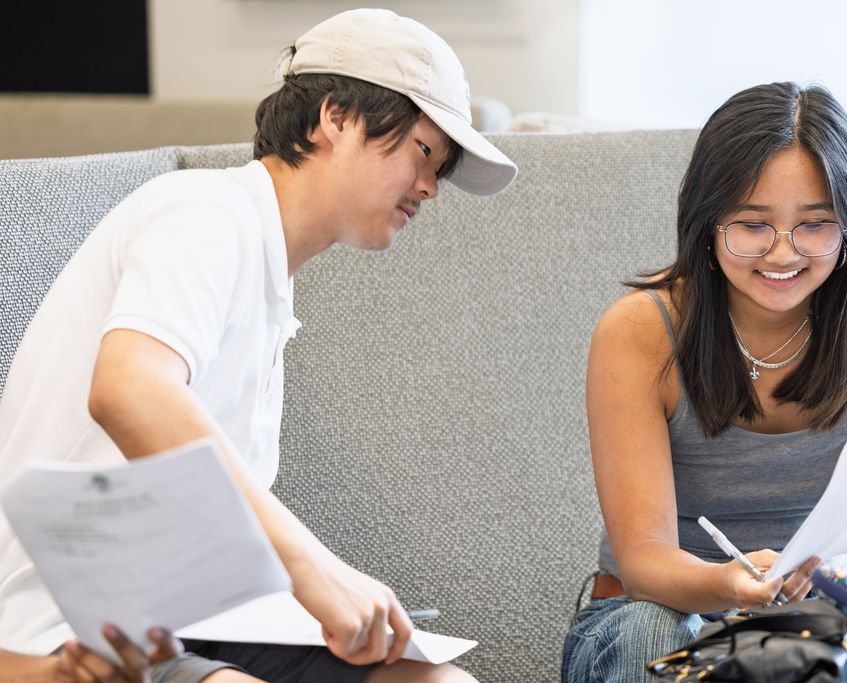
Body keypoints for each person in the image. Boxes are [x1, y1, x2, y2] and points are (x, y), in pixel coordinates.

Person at [0, 8, 516, 683]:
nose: (429, 187)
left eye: (441, 170)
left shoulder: (268, 276)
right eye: (423, 150)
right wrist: (315, 569)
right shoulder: (207, 213)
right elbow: (128, 388)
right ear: (336, 117)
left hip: (201, 617)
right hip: (82, 628)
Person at [561, 81, 847, 683]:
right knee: (651, 627)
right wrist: (733, 583)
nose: (782, 253)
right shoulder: (640, 331)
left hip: (841, 613)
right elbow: (645, 562)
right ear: (706, 221)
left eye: (816, 224)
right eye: (751, 224)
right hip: (679, 608)